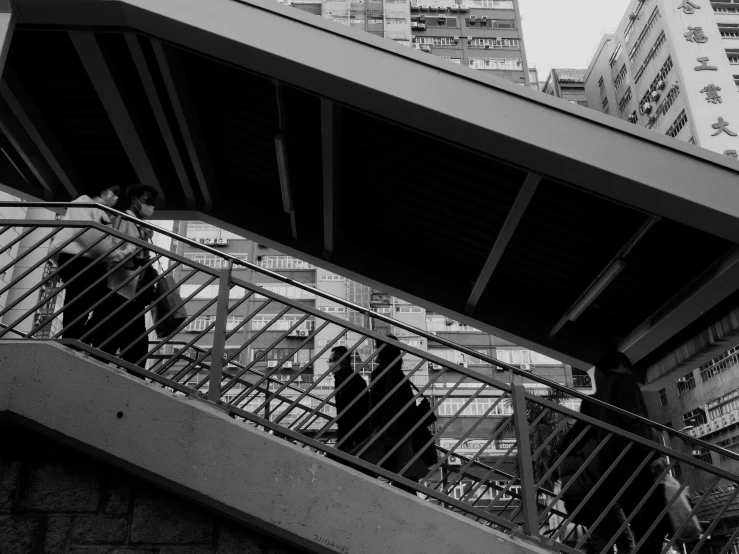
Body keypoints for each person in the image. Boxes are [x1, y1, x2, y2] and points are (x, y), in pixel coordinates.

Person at [566, 352, 669, 554]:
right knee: (654, 521)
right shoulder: (625, 382)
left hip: (610, 470)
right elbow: (636, 420)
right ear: (622, 365)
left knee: (636, 523)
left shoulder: (591, 401)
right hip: (635, 462)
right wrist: (655, 455)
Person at [86, 184, 158, 367]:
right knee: (107, 346)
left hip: (132, 296)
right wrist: (140, 257)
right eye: (147, 201)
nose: (151, 206)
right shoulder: (122, 220)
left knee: (135, 350)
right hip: (116, 292)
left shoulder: (140, 227)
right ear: (134, 200)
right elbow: (113, 252)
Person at [49, 186, 121, 340]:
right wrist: (112, 253)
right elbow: (87, 233)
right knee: (80, 300)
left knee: (85, 301)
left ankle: (76, 338)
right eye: (113, 192)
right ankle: (73, 338)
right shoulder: (85, 202)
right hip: (76, 257)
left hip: (88, 260)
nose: (115, 198)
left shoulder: (104, 213)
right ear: (102, 190)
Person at [365, 335, 428, 493]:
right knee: (403, 481)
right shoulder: (395, 373)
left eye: (377, 348)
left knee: (400, 482)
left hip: (390, 437)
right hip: (397, 436)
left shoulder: (387, 373)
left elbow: (389, 407)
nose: (375, 353)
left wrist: (389, 439)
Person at [329, 346, 372, 453]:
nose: (329, 364)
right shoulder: (341, 379)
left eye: (331, 361)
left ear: (342, 361)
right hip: (347, 435)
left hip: (353, 437)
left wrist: (352, 438)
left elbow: (357, 411)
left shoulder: (352, 381)